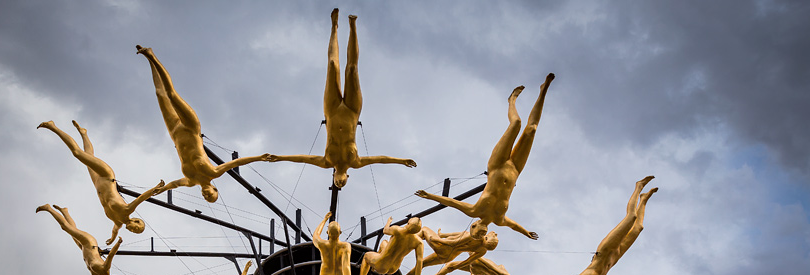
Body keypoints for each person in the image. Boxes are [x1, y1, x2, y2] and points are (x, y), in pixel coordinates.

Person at [263, 10, 416, 188]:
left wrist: (280, 157)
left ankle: (334, 27)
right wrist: (401, 160)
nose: (340, 182)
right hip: (352, 111)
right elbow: (380, 159)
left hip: (332, 111)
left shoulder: (326, 161)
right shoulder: (356, 162)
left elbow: (302, 158)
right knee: (352, 69)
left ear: (334, 177)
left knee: (332, 66)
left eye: (337, 183)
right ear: (348, 178)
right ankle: (353, 26)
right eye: (342, 184)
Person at [414, 73, 555, 239]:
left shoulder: (474, 211)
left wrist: (429, 195)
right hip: (516, 169)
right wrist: (526, 232)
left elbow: (452, 203)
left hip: (497, 165)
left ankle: (511, 101)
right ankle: (543, 91)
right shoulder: (499, 220)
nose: (480, 235)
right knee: (532, 130)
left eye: (476, 234)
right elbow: (514, 226)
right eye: (481, 236)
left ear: (473, 226)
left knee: (516, 124)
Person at [136, 45, 273, 203]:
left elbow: (174, 184)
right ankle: (151, 56)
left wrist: (162, 189)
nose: (206, 195)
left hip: (175, 133)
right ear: (215, 189)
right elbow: (237, 162)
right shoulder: (214, 172)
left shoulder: (190, 181)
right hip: (191, 128)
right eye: (211, 195)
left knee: (160, 94)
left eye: (205, 197)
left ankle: (149, 62)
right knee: (171, 95)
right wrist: (259, 157)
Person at [38, 120, 166, 244]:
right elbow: (142, 198)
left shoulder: (118, 223)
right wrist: (155, 188)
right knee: (77, 153)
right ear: (136, 221)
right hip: (106, 176)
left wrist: (112, 239)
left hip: (97, 183)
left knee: (88, 155)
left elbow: (115, 231)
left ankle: (83, 133)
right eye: (136, 228)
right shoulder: (127, 210)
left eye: (134, 232)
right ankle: (53, 126)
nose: (132, 230)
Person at [35, 204, 122, 275]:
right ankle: (48, 208)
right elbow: (111, 255)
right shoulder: (105, 270)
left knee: (72, 229)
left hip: (84, 249)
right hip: (89, 242)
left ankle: (65, 211)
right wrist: (118, 243)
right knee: (65, 227)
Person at [415, 223, 500, 275]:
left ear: (486, 238)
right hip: (451, 255)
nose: (494, 233)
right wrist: (457, 267)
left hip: (445, 247)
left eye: (494, 235)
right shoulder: (482, 250)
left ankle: (410, 240)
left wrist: (438, 240)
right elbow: (468, 261)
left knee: (424, 229)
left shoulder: (473, 237)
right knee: (423, 263)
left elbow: (453, 243)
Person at [355, 217, 425, 275]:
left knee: (366, 256)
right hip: (394, 269)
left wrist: (388, 222)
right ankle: (373, 267)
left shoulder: (398, 230)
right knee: (384, 242)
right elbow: (419, 262)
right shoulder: (419, 242)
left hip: (381, 265)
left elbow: (385, 230)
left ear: (408, 223)